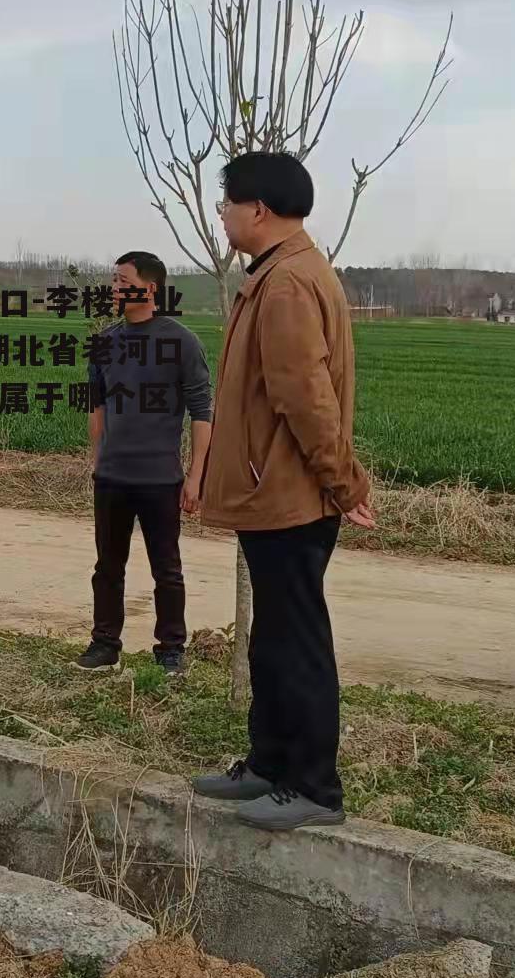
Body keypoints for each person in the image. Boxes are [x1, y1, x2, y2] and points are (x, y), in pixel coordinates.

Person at [188, 150, 375, 831]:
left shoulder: (289, 282)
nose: (221, 213)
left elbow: (306, 399)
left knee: (296, 640)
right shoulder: (276, 272)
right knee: (272, 637)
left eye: (226, 202)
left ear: (257, 210)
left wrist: (343, 479)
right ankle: (269, 765)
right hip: (278, 494)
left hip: (292, 496)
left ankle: (314, 787)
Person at [76, 251, 212, 676]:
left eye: (122, 280)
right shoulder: (106, 342)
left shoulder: (182, 342)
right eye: (113, 280)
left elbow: (202, 413)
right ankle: (104, 643)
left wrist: (196, 476)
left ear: (150, 289)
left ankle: (171, 648)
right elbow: (95, 404)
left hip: (161, 478)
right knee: (107, 566)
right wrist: (97, 456)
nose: (114, 288)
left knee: (166, 568)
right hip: (113, 476)